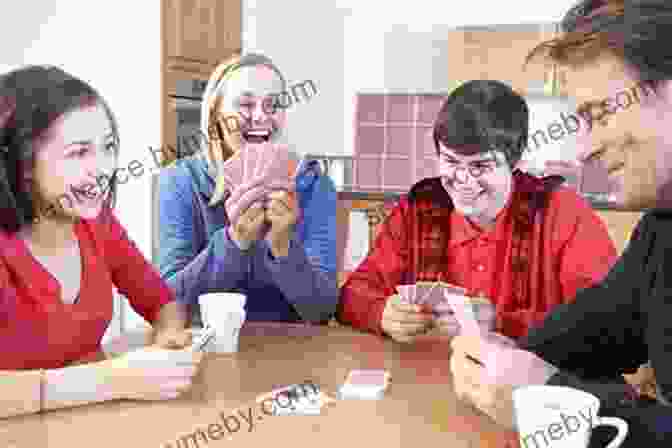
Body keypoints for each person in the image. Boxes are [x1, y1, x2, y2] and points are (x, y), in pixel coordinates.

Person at [450, 1, 672, 445]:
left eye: (601, 114)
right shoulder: (661, 231)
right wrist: (501, 358)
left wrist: (550, 398)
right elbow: (594, 327)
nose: (583, 150)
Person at [338, 79, 617, 342]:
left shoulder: (563, 213)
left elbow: (602, 325)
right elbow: (352, 294)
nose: (463, 180)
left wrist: (501, 323)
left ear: (515, 159)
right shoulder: (419, 207)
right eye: (450, 161)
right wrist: (381, 313)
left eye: (480, 166)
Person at [0, 65, 202, 418]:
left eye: (108, 147)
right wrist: (113, 379)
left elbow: (160, 301)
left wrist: (169, 336)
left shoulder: (98, 225)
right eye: (79, 152)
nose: (104, 168)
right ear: (23, 163)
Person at [157, 53, 338, 325]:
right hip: (208, 351)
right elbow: (168, 306)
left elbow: (322, 310)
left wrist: (283, 246)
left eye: (272, 105)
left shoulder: (314, 186)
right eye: (245, 104)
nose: (260, 116)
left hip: (294, 352)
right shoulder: (180, 182)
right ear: (216, 113)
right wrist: (235, 241)